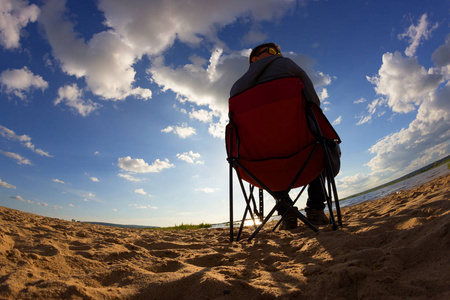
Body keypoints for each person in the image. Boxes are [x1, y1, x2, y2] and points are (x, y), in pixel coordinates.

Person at [230, 43, 341, 230]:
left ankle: (287, 211)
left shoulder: (236, 89)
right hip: (305, 155)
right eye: (273, 52)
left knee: (271, 151)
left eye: (278, 52)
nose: (278, 54)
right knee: (316, 140)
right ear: (254, 59)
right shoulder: (288, 66)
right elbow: (314, 104)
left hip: (259, 167)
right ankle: (315, 210)